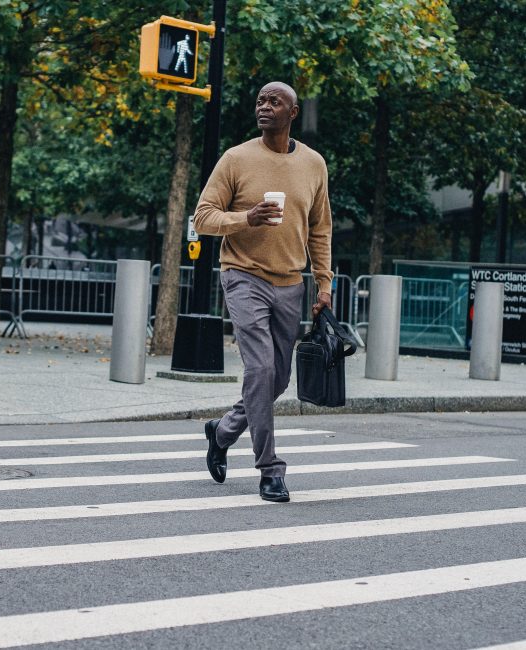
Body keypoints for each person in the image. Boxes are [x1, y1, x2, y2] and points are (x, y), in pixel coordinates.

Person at [192, 81, 333, 503]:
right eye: (260, 101)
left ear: (293, 112)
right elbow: (203, 218)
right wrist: (246, 218)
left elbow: (320, 228)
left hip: (291, 282)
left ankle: (222, 432)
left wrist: (323, 282)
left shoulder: (313, 164)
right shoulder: (236, 158)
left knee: (278, 378)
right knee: (260, 370)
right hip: (243, 276)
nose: (265, 107)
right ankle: (270, 469)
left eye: (275, 102)